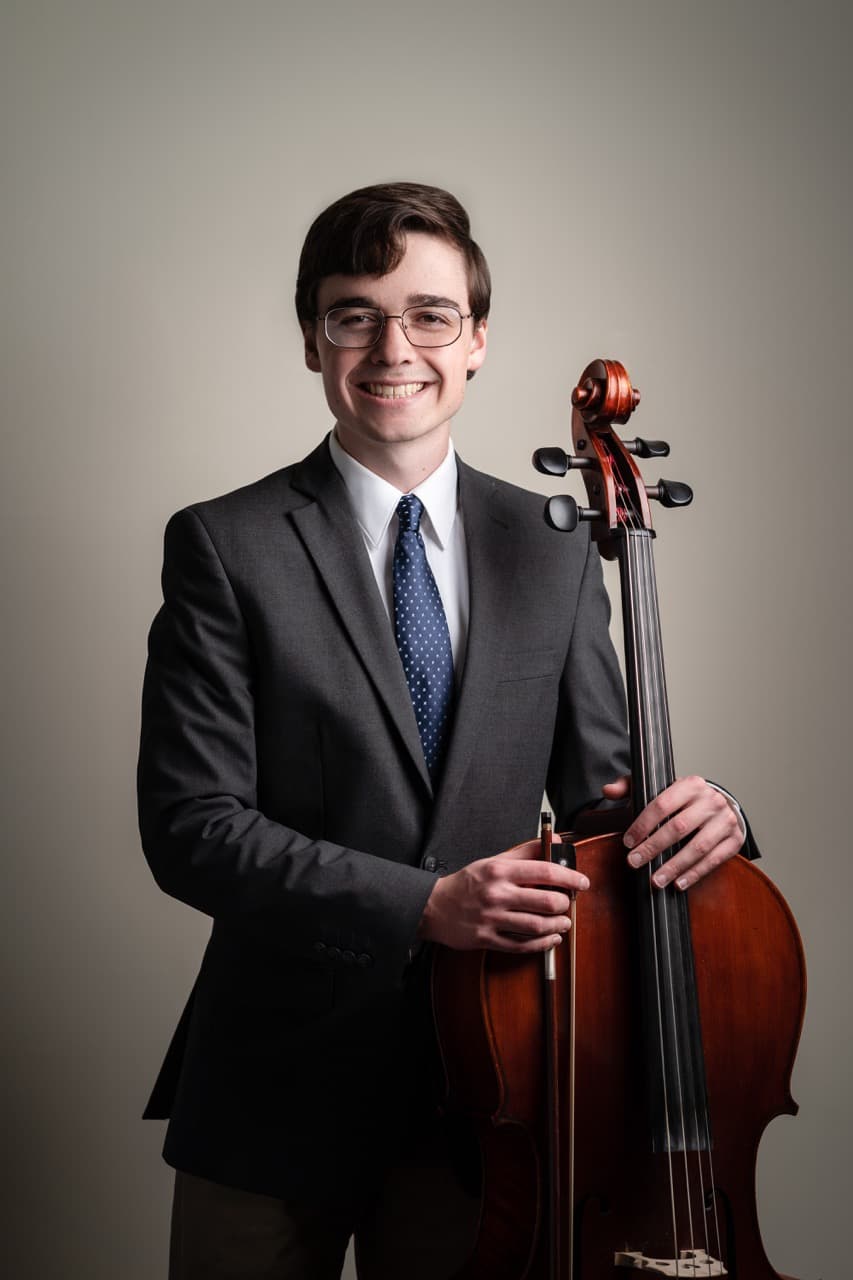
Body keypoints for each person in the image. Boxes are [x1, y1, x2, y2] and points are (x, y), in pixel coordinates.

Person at [138, 182, 749, 1279]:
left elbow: (605, 801)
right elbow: (192, 826)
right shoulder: (225, 545)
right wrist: (424, 903)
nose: (392, 345)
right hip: (274, 1082)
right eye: (352, 313)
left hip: (496, 1086)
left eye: (427, 313)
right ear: (313, 339)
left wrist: (707, 820)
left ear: (474, 342)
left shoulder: (553, 546)